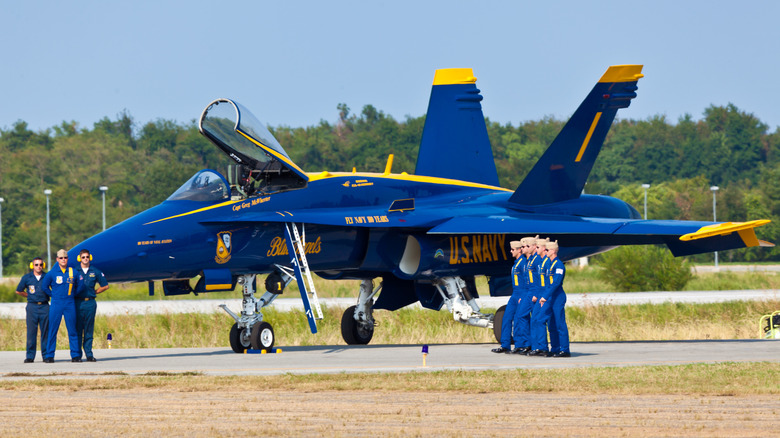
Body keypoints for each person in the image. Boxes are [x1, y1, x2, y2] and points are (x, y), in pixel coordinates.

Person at [41, 249, 82, 363]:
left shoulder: (73, 272)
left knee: (72, 330)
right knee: (53, 330)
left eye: (65, 258)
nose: (63, 260)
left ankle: (75, 355)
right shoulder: (52, 273)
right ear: (57, 259)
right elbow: (44, 286)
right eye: (61, 258)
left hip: (69, 303)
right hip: (56, 303)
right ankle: (49, 355)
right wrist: (53, 295)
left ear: (67, 259)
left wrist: (73, 294)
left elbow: (80, 285)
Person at [73, 248, 109, 362]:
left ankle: (89, 354)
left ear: (90, 258)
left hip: (90, 303)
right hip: (78, 302)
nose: (85, 259)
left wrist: (95, 292)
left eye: (87, 257)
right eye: (83, 257)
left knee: (89, 329)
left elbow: (105, 285)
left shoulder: (95, 271)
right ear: (80, 258)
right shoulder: (74, 271)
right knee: (78, 329)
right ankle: (77, 355)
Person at [491, 240, 527, 353]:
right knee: (506, 318)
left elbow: (527, 281)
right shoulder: (516, 263)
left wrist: (524, 295)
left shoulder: (524, 263)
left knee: (518, 319)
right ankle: (505, 345)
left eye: (513, 249)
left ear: (519, 250)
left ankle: (519, 345)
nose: (511, 251)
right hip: (515, 293)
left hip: (521, 293)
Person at [15, 257, 49, 363]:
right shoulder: (27, 277)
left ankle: (46, 356)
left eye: (40, 265)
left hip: (45, 307)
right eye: (36, 265)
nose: (38, 267)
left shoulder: (47, 276)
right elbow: (19, 291)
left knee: (45, 332)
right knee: (31, 332)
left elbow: (55, 288)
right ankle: (30, 356)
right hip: (32, 307)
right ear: (32, 266)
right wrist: (29, 295)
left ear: (43, 265)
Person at [511, 236, 538, 354]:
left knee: (536, 320)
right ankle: (524, 344)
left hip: (533, 292)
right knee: (520, 317)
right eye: (522, 247)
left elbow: (540, 280)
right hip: (526, 292)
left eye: (526, 246)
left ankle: (535, 346)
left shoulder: (535, 261)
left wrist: (537, 293)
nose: (523, 249)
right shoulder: (527, 261)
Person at [544, 240, 570, 357]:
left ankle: (564, 349)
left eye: (547, 250)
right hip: (551, 297)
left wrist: (545, 296)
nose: (545, 252)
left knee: (560, 324)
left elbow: (556, 283)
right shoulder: (550, 264)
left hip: (557, 296)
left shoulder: (559, 265)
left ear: (553, 251)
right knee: (552, 324)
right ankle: (555, 348)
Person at [527, 238, 552, 356]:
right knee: (536, 320)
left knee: (542, 320)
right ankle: (537, 347)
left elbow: (550, 282)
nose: (535, 249)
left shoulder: (546, 262)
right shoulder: (540, 261)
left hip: (545, 294)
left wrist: (540, 295)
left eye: (537, 247)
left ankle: (543, 347)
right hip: (540, 293)